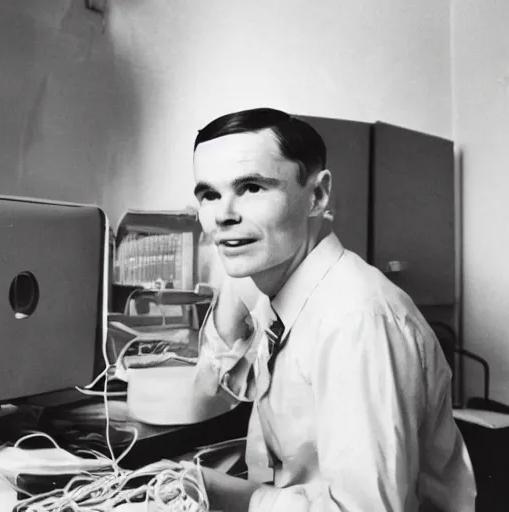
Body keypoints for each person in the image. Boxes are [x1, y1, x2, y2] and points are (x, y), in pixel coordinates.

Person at [186, 107, 476, 511]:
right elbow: (216, 389)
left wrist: (225, 495)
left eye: (251, 188)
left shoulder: (355, 320)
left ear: (317, 196)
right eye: (209, 195)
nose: (222, 216)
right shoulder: (285, 292)